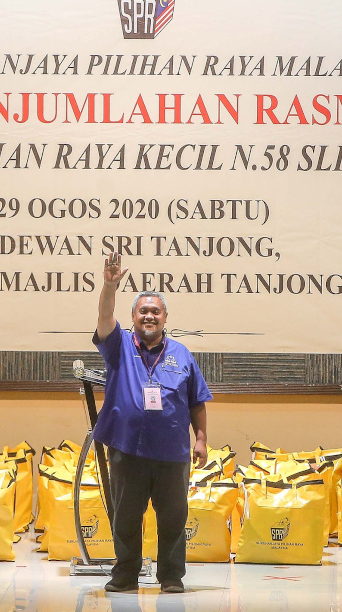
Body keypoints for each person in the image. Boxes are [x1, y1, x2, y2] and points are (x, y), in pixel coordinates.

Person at [93, 251, 212, 594]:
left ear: (164, 318)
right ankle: (125, 575)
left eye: (155, 311)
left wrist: (201, 439)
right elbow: (103, 316)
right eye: (142, 311)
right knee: (126, 517)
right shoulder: (117, 346)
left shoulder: (182, 353)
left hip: (172, 452)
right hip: (127, 449)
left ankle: (171, 578)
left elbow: (197, 400)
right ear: (132, 316)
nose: (149, 316)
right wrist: (109, 286)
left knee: (173, 519)